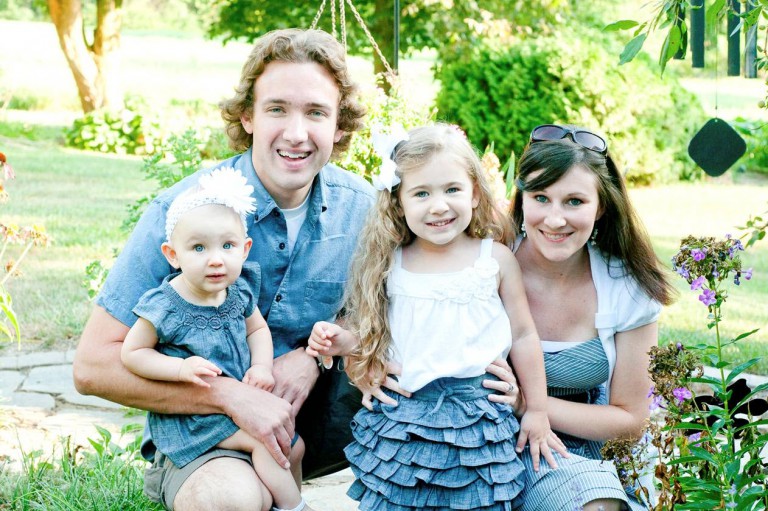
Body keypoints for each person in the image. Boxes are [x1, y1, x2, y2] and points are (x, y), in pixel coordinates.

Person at [73, 28, 374, 511]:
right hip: (211, 436)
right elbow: (92, 367)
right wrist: (230, 396)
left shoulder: (364, 209)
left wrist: (312, 356)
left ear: (340, 125)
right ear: (247, 116)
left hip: (323, 431)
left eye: (316, 112)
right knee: (229, 500)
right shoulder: (184, 214)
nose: (296, 133)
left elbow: (409, 307)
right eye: (277, 109)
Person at [307, 123, 563, 511]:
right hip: (404, 417)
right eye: (421, 193)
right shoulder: (390, 263)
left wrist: (537, 409)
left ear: (474, 193)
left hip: (479, 418)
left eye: (452, 190)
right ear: (398, 202)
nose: (439, 205)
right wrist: (341, 341)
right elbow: (377, 329)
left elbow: (525, 335)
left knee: (478, 500)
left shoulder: (493, 259)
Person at [486, 124, 676, 511]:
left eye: (574, 201)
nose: (555, 219)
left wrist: (528, 404)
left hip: (579, 444)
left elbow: (631, 420)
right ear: (522, 199)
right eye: (541, 197)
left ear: (601, 206)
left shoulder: (625, 286)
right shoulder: (486, 263)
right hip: (487, 436)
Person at [120, 167, 315, 511]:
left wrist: (262, 367)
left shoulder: (237, 291)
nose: (215, 259)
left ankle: (282, 500)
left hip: (237, 408)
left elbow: (257, 330)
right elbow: (133, 353)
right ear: (172, 254)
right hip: (194, 419)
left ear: (245, 249)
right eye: (198, 248)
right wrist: (179, 369)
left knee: (294, 446)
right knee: (265, 443)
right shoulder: (165, 305)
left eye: (228, 246)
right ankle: (296, 508)